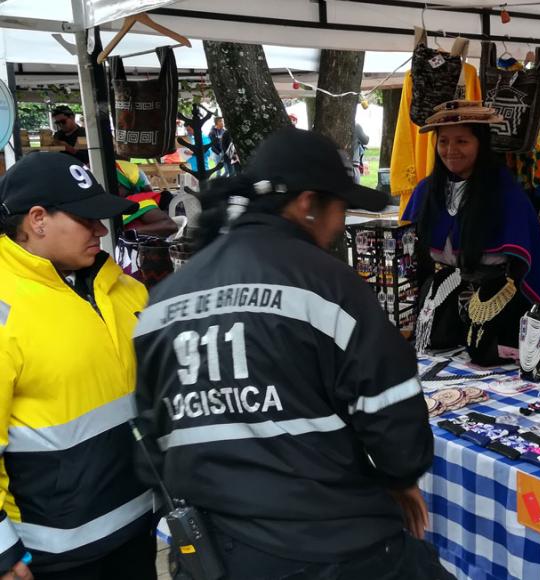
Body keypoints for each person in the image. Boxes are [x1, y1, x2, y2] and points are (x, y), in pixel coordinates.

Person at [133, 127, 453, 580]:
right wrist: (403, 478)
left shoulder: (162, 302)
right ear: (307, 204)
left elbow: (149, 433)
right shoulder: (327, 284)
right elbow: (391, 410)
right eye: (339, 208)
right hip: (332, 545)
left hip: (216, 551)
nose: (340, 224)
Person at [0, 153, 156, 580]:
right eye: (86, 219)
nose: (101, 230)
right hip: (52, 554)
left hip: (141, 526)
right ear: (37, 219)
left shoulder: (126, 290)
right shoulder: (4, 307)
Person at [402, 100, 540, 364]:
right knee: (433, 349)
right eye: (443, 142)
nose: (451, 150)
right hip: (441, 294)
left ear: (481, 144)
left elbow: (527, 261)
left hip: (497, 298)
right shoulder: (427, 191)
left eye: (462, 141)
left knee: (485, 357)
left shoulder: (505, 194)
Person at [116, 160, 178, 237]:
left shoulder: (137, 201)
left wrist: (128, 233)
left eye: (118, 185)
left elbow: (170, 226)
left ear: (126, 185)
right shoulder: (113, 204)